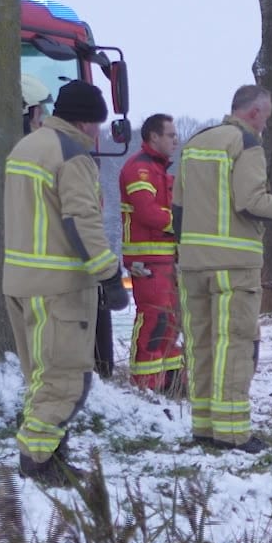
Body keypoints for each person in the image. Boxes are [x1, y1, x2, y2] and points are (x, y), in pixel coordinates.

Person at [1, 80, 130, 486]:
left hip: (20, 280)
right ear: (88, 122)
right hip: (58, 285)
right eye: (98, 125)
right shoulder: (72, 156)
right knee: (67, 379)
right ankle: (36, 459)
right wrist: (109, 273)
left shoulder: (27, 146)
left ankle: (51, 455)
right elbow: (82, 221)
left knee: (40, 376)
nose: (98, 134)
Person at [174, 86, 272, 452]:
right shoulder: (246, 144)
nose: (268, 121)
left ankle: (203, 428)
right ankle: (232, 433)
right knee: (234, 347)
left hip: (192, 263)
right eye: (266, 114)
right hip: (234, 266)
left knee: (200, 346)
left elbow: (178, 208)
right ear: (253, 112)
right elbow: (251, 202)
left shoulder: (194, 143)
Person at [119, 113, 182, 392]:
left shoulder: (159, 171)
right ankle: (144, 386)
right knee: (154, 321)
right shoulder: (139, 169)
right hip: (149, 262)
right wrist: (180, 224)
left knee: (170, 322)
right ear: (153, 136)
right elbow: (147, 211)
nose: (175, 140)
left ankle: (168, 383)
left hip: (166, 260)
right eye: (170, 135)